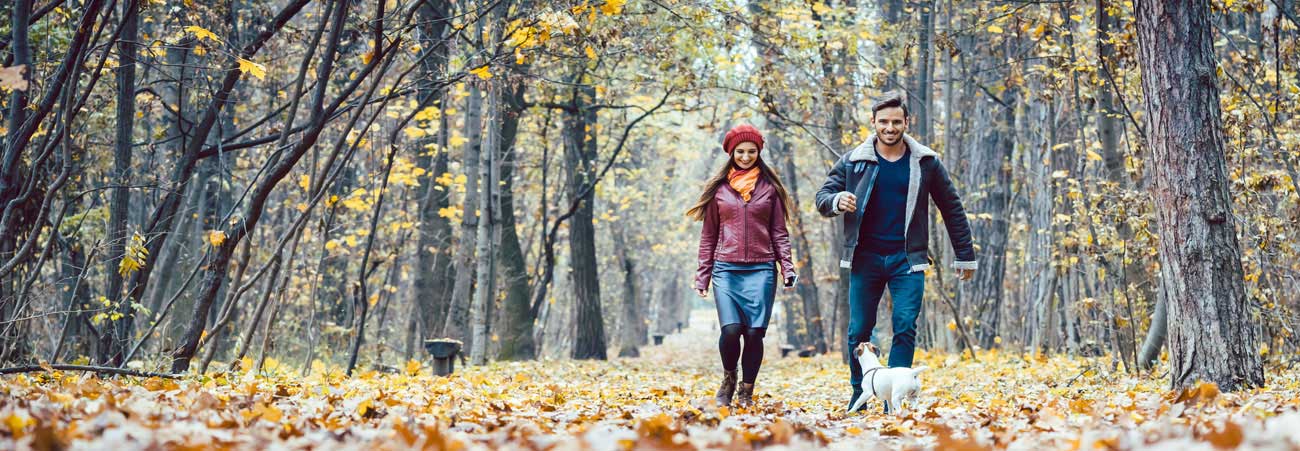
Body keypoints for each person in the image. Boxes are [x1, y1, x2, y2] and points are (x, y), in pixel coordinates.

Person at [814, 92, 978, 413]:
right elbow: (823, 195)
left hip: (908, 259)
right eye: (884, 122)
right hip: (865, 257)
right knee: (859, 329)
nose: (890, 127)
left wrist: (964, 254)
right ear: (873, 123)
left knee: (905, 324)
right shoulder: (854, 161)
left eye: (896, 122)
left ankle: (894, 399)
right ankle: (858, 394)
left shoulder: (925, 161)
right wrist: (836, 201)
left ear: (907, 122)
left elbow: (952, 208)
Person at [688, 124, 797, 408]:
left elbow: (779, 232)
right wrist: (703, 276)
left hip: (761, 269)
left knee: (753, 333)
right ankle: (728, 379)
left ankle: (747, 391)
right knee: (731, 330)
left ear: (759, 153)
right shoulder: (720, 191)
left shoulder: (770, 190)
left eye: (752, 152)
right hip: (726, 269)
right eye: (741, 151)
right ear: (731, 152)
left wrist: (787, 267)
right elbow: (709, 235)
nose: (746, 157)